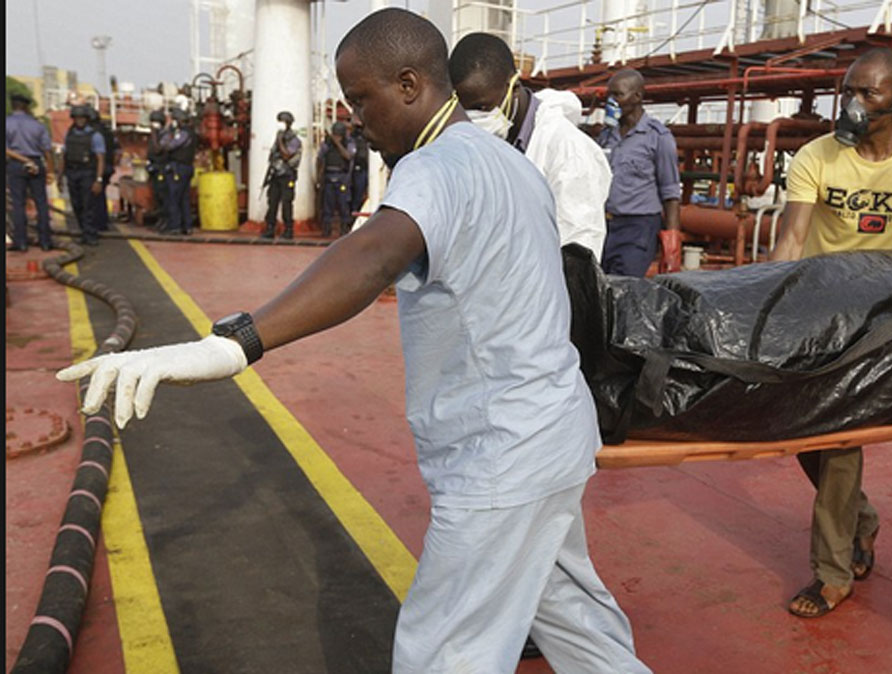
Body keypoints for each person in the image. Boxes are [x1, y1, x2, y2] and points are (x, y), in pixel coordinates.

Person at [57, 9, 652, 674]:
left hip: (500, 457)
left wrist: (239, 342)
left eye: (361, 99)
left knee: (441, 653)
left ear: (407, 84)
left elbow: (370, 256)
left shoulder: (435, 166)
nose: (356, 120)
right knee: (575, 622)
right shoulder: (512, 166)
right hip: (556, 437)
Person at [769, 47, 892, 619]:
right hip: (817, 309)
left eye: (867, 94)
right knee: (803, 432)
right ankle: (864, 520)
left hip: (881, 314)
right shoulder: (816, 157)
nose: (852, 103)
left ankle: (832, 573)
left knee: (842, 440)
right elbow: (792, 239)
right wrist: (770, 308)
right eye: (847, 90)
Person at [449, 32, 611, 261]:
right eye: (467, 110)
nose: (475, 119)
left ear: (514, 87)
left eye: (483, 108)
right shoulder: (487, 140)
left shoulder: (568, 150)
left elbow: (579, 253)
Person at [597, 68, 682, 276]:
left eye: (617, 94)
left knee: (624, 288)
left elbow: (670, 193)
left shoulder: (658, 137)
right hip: (605, 225)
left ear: (637, 96)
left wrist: (671, 241)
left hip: (638, 228)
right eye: (609, 95)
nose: (612, 101)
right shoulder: (606, 136)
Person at [5, 90, 55, 251]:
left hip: (16, 165)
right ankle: (45, 241)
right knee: (41, 202)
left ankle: (21, 242)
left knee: (18, 204)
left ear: (13, 106)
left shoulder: (7, 123)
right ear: (26, 107)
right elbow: (48, 151)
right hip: (36, 163)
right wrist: (50, 171)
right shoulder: (38, 125)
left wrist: (22, 160)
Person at [61, 105, 106, 246]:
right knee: (76, 204)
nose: (79, 121)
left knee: (88, 205)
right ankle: (83, 232)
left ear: (87, 119)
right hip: (72, 172)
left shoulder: (95, 136)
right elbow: (64, 155)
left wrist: (98, 179)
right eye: (77, 118)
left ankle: (90, 234)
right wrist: (59, 175)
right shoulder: (69, 134)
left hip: (87, 173)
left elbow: (100, 159)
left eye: (82, 118)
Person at [262, 110, 302, 240]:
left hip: (287, 176)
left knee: (286, 203)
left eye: (282, 122)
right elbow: (272, 156)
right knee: (272, 202)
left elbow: (286, 155)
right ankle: (270, 229)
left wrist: (280, 141)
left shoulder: (294, 140)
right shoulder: (278, 139)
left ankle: (288, 230)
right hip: (276, 176)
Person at [160, 108, 197, 235]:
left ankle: (175, 226)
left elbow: (169, 145)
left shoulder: (183, 134)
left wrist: (167, 133)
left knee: (174, 197)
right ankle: (187, 226)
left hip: (179, 168)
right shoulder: (188, 133)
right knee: (183, 198)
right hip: (185, 168)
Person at [317, 121, 356, 237]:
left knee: (343, 205)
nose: (336, 137)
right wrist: (319, 177)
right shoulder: (327, 144)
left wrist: (338, 144)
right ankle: (326, 230)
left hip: (342, 177)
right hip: (329, 176)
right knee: (327, 206)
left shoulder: (349, 143)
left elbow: (348, 156)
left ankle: (344, 230)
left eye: (338, 135)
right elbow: (320, 158)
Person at [87, 106, 119, 232]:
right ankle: (102, 221)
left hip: (95, 168)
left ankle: (96, 223)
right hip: (108, 167)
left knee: (93, 197)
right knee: (100, 196)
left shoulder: (91, 133)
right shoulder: (108, 132)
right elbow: (118, 151)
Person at [146, 109, 171, 230]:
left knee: (163, 196)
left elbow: (158, 150)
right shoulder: (153, 135)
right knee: (156, 195)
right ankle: (160, 220)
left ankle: (166, 221)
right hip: (154, 168)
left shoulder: (164, 135)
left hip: (162, 168)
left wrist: (154, 134)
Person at [349, 119, 370, 214]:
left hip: (364, 168)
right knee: (357, 192)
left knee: (359, 191)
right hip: (357, 168)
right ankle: (354, 210)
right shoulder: (352, 139)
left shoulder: (366, 138)